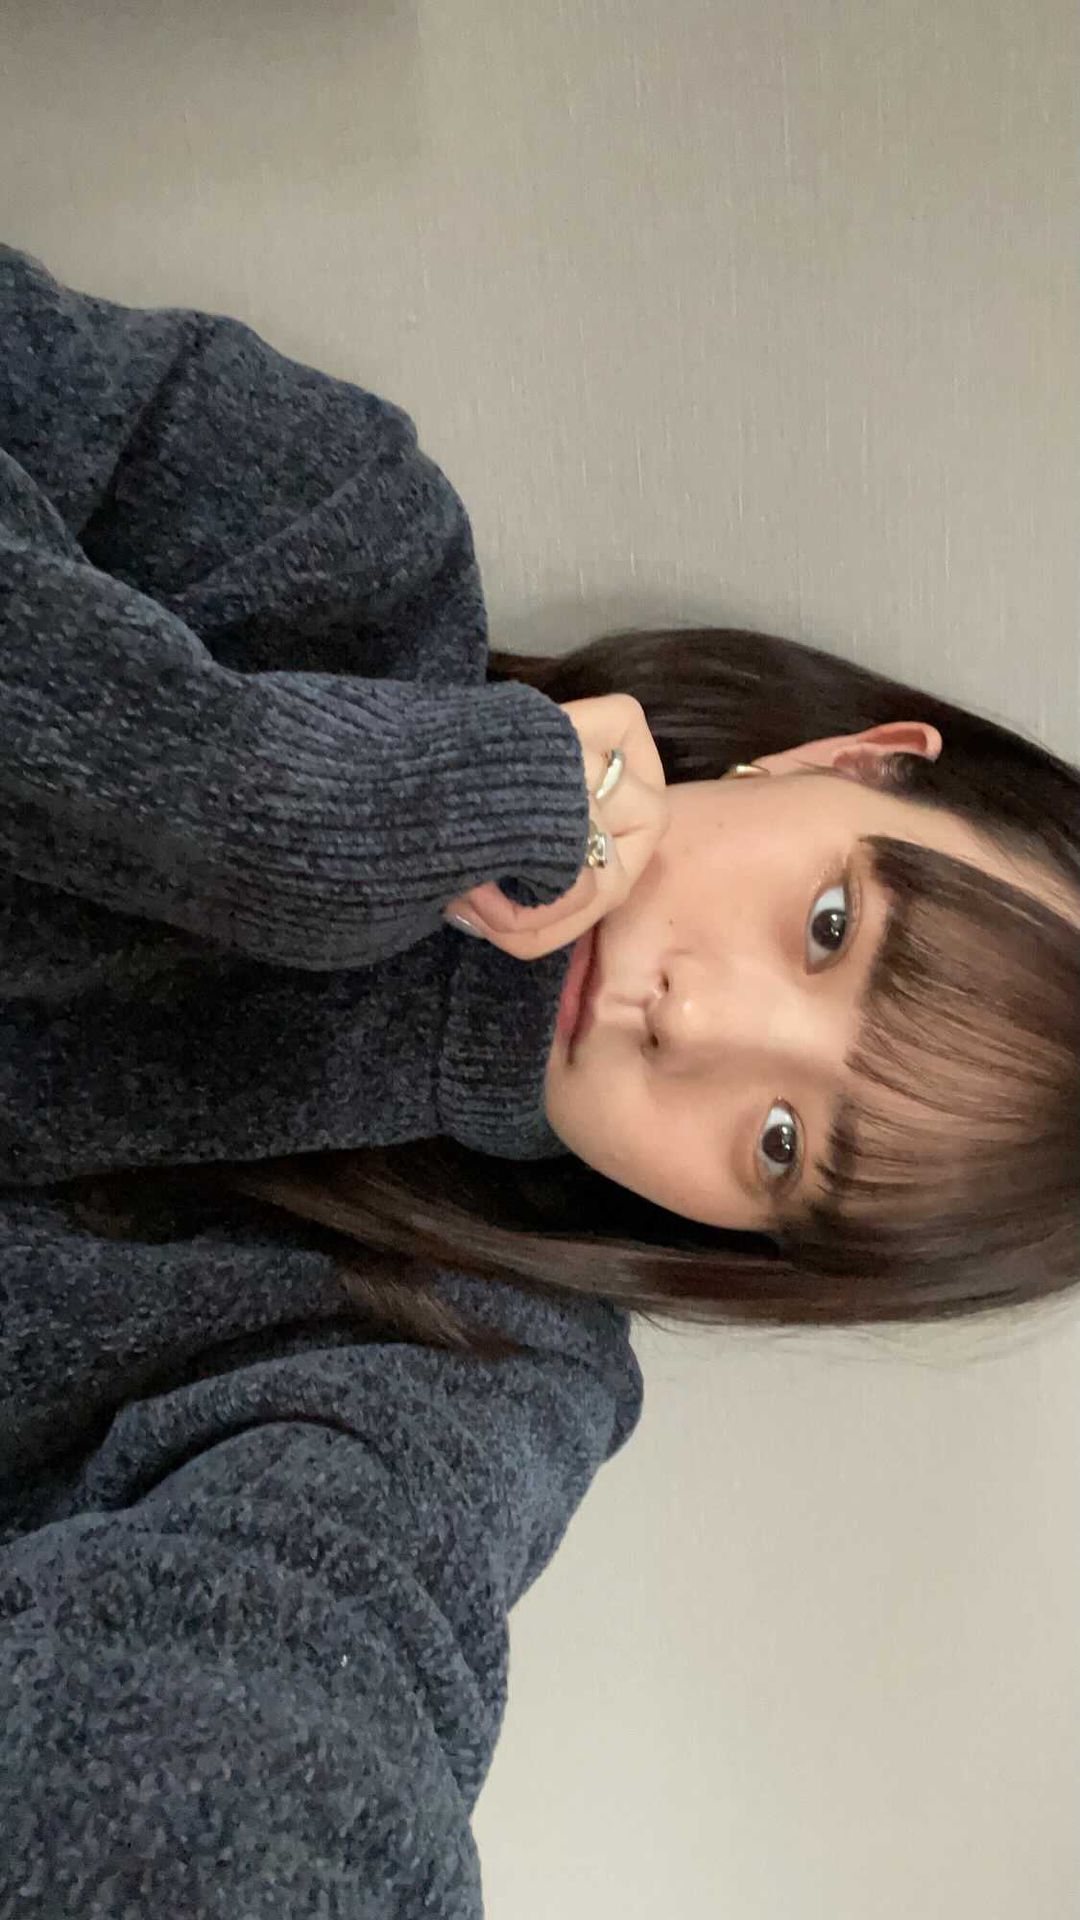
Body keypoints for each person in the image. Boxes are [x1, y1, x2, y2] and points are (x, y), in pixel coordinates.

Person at [0, 244, 1077, 1913]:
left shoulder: (486, 1363)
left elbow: (304, 1666)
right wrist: (265, 805)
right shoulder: (339, 548)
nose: (693, 1024)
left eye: (781, 1144)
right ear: (850, 761)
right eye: (829, 926)